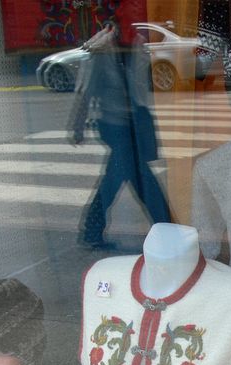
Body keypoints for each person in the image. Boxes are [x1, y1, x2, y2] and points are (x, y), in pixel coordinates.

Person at [69, 24, 170, 249]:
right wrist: (77, 125)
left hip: (135, 123)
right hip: (114, 125)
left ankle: (92, 232)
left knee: (119, 177)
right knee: (138, 177)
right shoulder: (102, 51)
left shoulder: (137, 43)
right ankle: (167, 228)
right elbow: (87, 90)